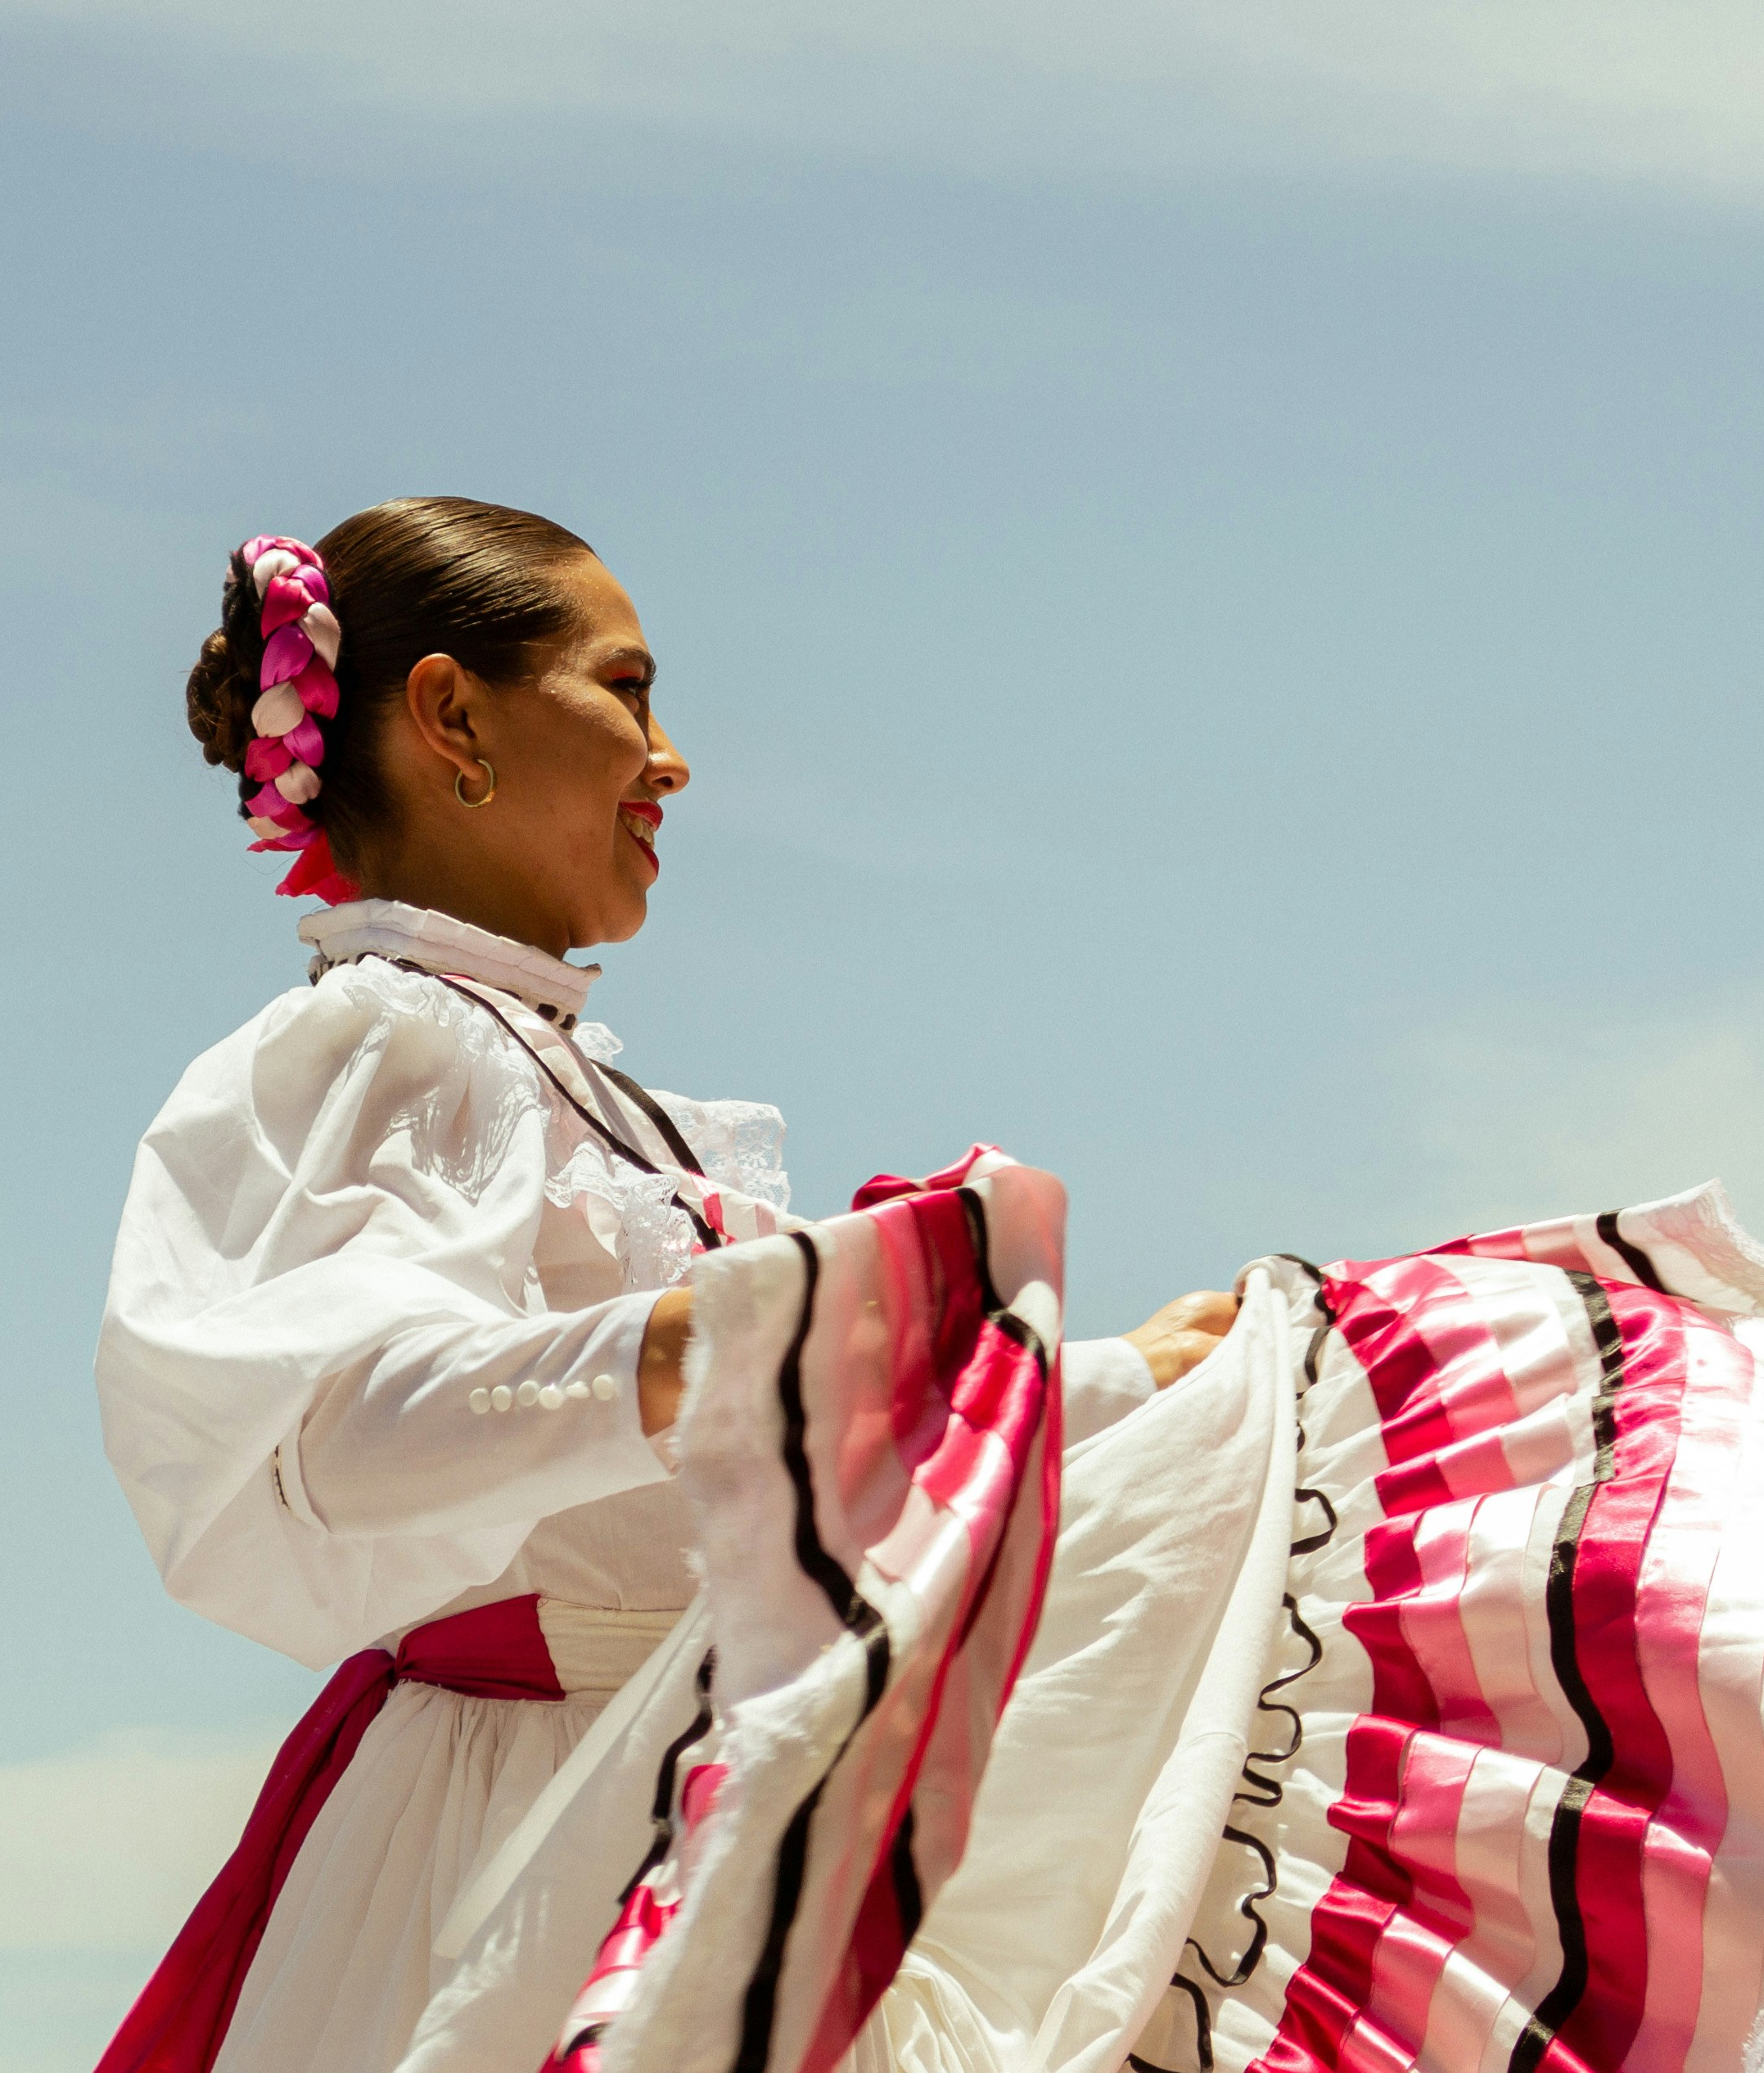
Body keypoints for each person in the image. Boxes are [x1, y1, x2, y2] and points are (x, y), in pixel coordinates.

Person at [92, 497, 1238, 2073]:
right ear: (452, 719)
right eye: (626, 691)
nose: (670, 759)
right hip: (529, 1835)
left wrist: (1124, 1381)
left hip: (700, 1787)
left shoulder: (568, 1080)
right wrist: (715, 1338)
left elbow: (761, 1443)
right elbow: (327, 1435)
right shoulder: (391, 1037)